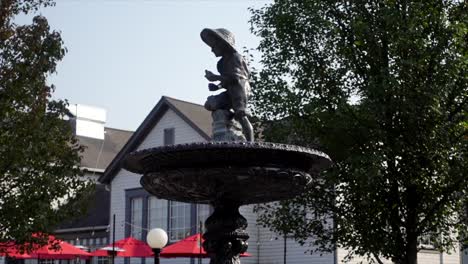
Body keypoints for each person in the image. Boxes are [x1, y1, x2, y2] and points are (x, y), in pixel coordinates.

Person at [200, 28, 254, 142]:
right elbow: (227, 82)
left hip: (240, 92)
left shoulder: (236, 57)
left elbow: (237, 78)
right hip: (230, 92)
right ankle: (229, 121)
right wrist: (217, 86)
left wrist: (215, 77)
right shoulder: (221, 63)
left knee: (241, 115)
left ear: (223, 44)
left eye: (214, 46)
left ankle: (251, 143)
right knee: (210, 104)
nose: (212, 50)